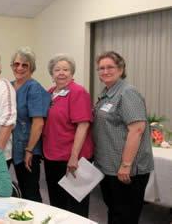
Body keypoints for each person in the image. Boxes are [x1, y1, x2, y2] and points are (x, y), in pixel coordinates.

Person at [93, 51, 153, 224]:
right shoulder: (107, 93)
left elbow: (137, 129)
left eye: (110, 67)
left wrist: (126, 165)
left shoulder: (127, 93)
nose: (105, 71)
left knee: (126, 216)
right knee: (115, 211)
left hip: (126, 170)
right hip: (109, 167)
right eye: (101, 68)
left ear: (120, 69)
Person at [42, 54, 94, 217]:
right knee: (57, 204)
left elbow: (83, 125)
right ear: (52, 73)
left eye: (66, 69)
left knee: (76, 206)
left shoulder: (78, 92)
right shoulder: (50, 92)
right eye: (57, 69)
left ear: (72, 72)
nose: (61, 73)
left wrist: (74, 156)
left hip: (73, 159)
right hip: (52, 156)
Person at [10, 47, 50, 202]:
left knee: (30, 192)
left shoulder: (34, 88)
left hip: (28, 149)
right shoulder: (9, 85)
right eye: (16, 64)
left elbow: (38, 123)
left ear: (31, 67)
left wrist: (29, 150)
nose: (19, 68)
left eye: (24, 65)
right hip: (12, 146)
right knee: (18, 187)